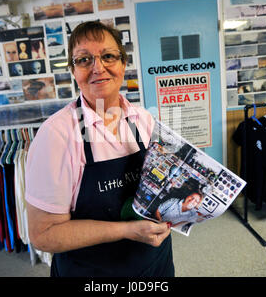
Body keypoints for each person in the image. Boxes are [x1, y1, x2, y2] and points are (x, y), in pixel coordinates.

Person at [25, 21, 174, 277]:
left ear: (123, 64)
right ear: (73, 71)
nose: (98, 67)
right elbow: (43, 235)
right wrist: (127, 231)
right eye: (84, 60)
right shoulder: (56, 135)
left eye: (107, 56)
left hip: (156, 267)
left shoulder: (144, 120)